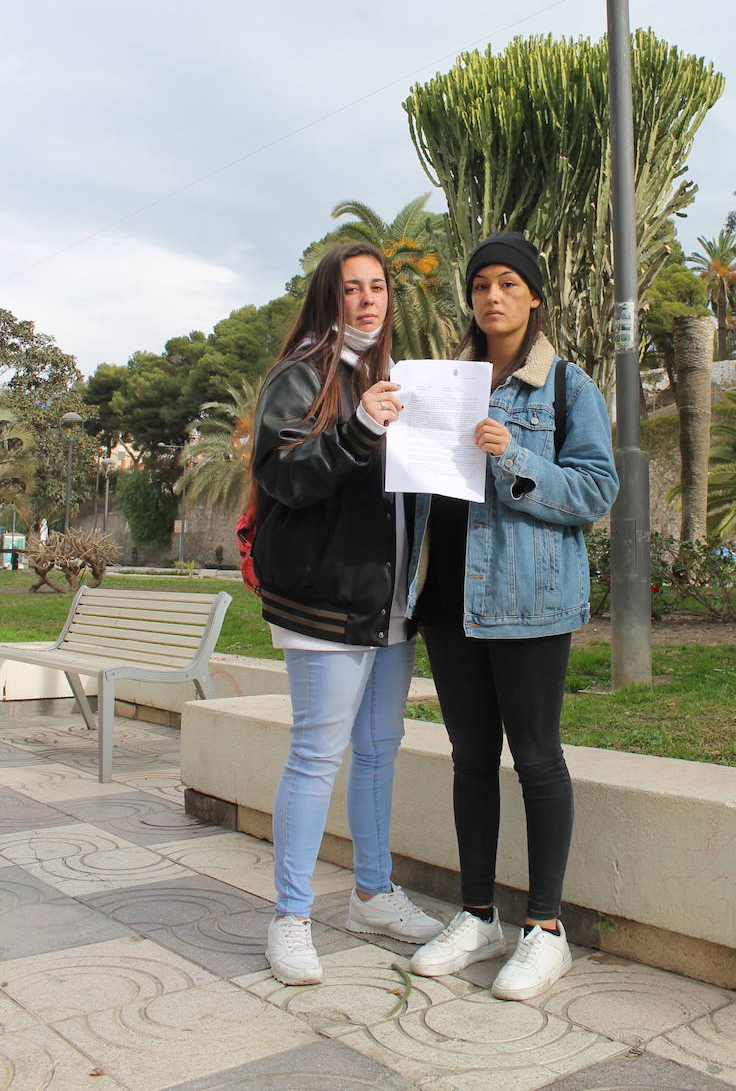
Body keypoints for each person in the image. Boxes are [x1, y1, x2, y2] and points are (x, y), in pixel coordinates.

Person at [407, 232, 618, 1002]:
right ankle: (475, 915)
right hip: (448, 601)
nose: (491, 297)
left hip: (528, 603)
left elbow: (596, 492)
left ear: (532, 297)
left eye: (506, 284)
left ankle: (545, 929)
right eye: (479, 287)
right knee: (469, 760)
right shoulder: (444, 383)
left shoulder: (565, 387)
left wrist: (515, 456)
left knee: (535, 757)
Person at [251, 241, 442, 986]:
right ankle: (290, 918)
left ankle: (372, 893)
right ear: (329, 298)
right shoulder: (299, 376)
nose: (368, 300)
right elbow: (284, 476)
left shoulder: (396, 380)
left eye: (378, 287)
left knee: (378, 750)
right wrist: (359, 427)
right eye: (351, 288)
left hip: (389, 602)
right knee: (315, 756)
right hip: (322, 603)